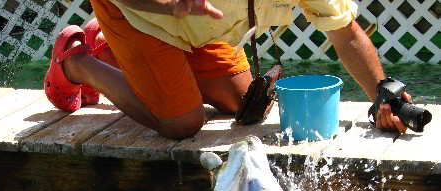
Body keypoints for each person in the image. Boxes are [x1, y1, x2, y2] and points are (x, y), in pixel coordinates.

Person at [44, 0, 411, 140]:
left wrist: (383, 93)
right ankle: (79, 62)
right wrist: (167, 5)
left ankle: (111, 49)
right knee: (182, 123)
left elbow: (346, 34)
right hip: (142, 14)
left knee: (240, 103)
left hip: (199, 21)